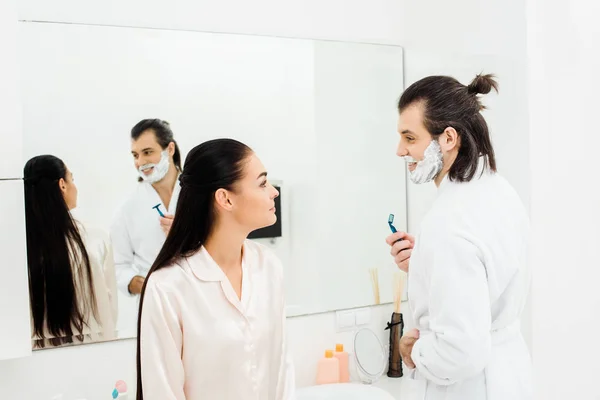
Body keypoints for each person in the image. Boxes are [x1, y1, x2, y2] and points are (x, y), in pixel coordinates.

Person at [386, 74, 532, 399]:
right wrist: (423, 265)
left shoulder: (447, 223)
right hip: (509, 374)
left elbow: (460, 352)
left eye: (409, 138)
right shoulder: (499, 191)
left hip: (469, 387)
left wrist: (412, 350)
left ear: (448, 138)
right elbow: (487, 277)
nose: (400, 151)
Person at [135, 138, 294, 400]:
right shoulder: (168, 286)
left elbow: (282, 371)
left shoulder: (269, 267)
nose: (274, 192)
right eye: (263, 183)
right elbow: (162, 392)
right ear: (225, 199)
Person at [24, 155, 117, 349]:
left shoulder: (21, 249)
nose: (75, 186)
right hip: (92, 350)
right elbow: (110, 308)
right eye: (72, 179)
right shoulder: (95, 238)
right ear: (62, 185)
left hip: (35, 361)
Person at [110, 119, 182, 296]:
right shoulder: (128, 209)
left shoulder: (200, 195)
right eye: (135, 155)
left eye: (147, 152)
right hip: (154, 304)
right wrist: (142, 285)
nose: (140, 162)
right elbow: (118, 267)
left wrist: (186, 233)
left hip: (200, 298)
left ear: (170, 149)